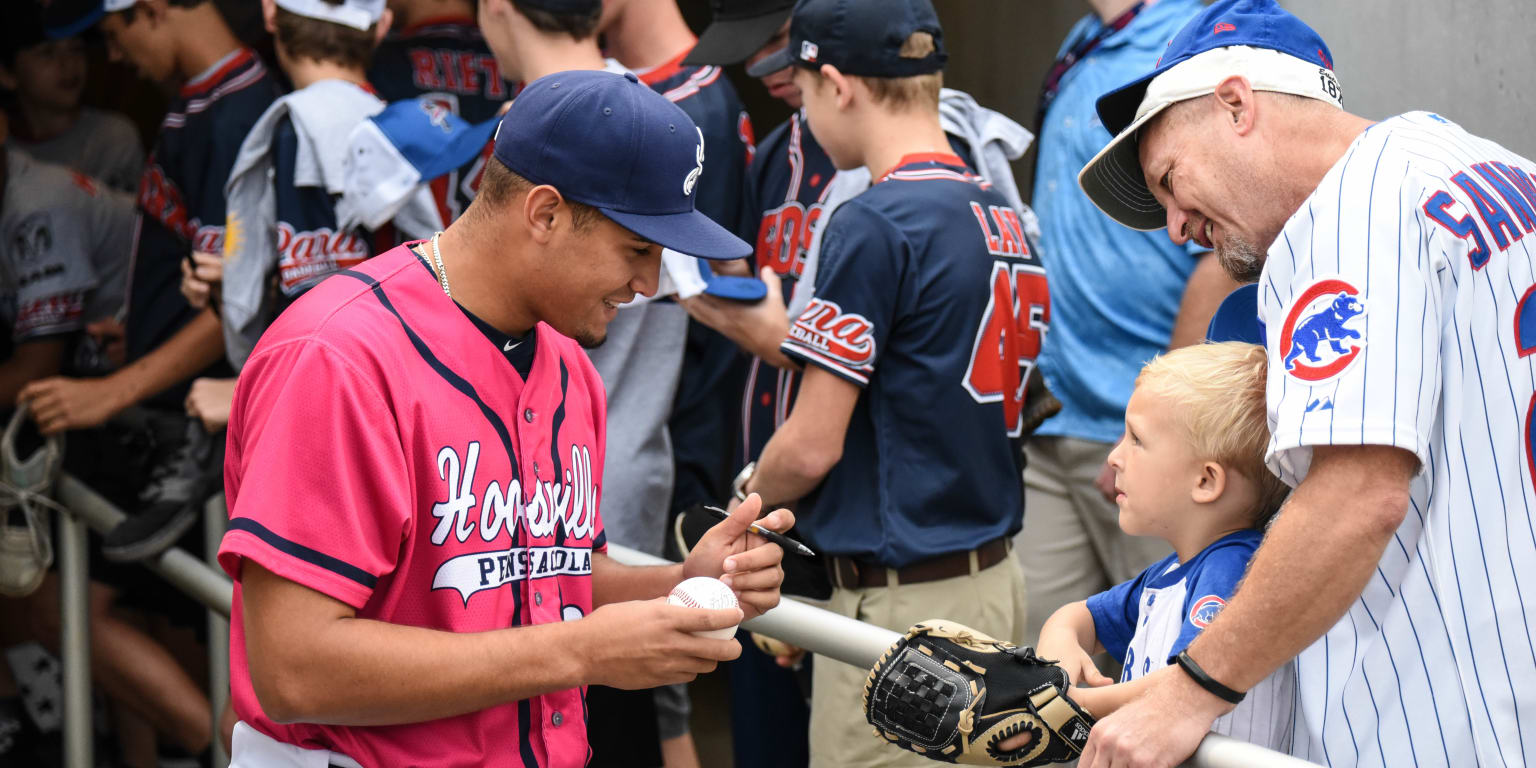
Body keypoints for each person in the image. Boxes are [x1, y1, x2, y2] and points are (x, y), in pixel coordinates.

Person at [218, 68, 790, 768]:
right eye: (638, 249)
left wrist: (673, 588)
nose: (648, 284)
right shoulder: (337, 358)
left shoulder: (569, 364)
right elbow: (295, 670)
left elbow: (538, 575)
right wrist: (581, 652)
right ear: (544, 213)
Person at [1074, 0, 1536, 765]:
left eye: (1169, 180)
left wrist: (1190, 694)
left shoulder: (1343, 209)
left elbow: (1358, 494)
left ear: (1235, 104)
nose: (1179, 227)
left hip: (1447, 718)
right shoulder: (1497, 169)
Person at [737, 0, 1043, 764]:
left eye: (804, 94)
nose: (804, 113)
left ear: (837, 85)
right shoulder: (999, 209)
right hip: (993, 577)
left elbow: (810, 449)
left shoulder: (875, 220)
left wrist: (751, 494)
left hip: (907, 608)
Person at [1016, 0, 1238, 654]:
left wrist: (1159, 424)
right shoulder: (1087, 39)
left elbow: (1222, 260)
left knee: (1167, 669)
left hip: (1148, 434)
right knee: (1040, 680)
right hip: (1055, 419)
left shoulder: (1196, 34)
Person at [25, 0, 279, 562]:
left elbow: (232, 308)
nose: (113, 55)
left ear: (156, 8)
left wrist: (114, 391)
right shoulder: (198, 99)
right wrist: (142, 329)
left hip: (197, 426)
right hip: (168, 403)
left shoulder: (238, 113)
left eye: (115, 34)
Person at [0, 112, 214, 766]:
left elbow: (34, 372)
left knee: (61, 608)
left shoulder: (37, 203)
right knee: (124, 608)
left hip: (157, 417)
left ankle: (230, 752)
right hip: (131, 407)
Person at [1025, 342, 1294, 752]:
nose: (1115, 456)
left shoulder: (1232, 569)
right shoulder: (1173, 570)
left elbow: (1185, 682)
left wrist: (1077, 704)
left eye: (1137, 439)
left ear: (1206, 482)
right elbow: (1079, 618)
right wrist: (1057, 654)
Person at [0, 1, 143, 193]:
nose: (68, 64)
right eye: (47, 53)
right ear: (7, 75)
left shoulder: (112, 138)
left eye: (76, 48)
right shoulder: (6, 150)